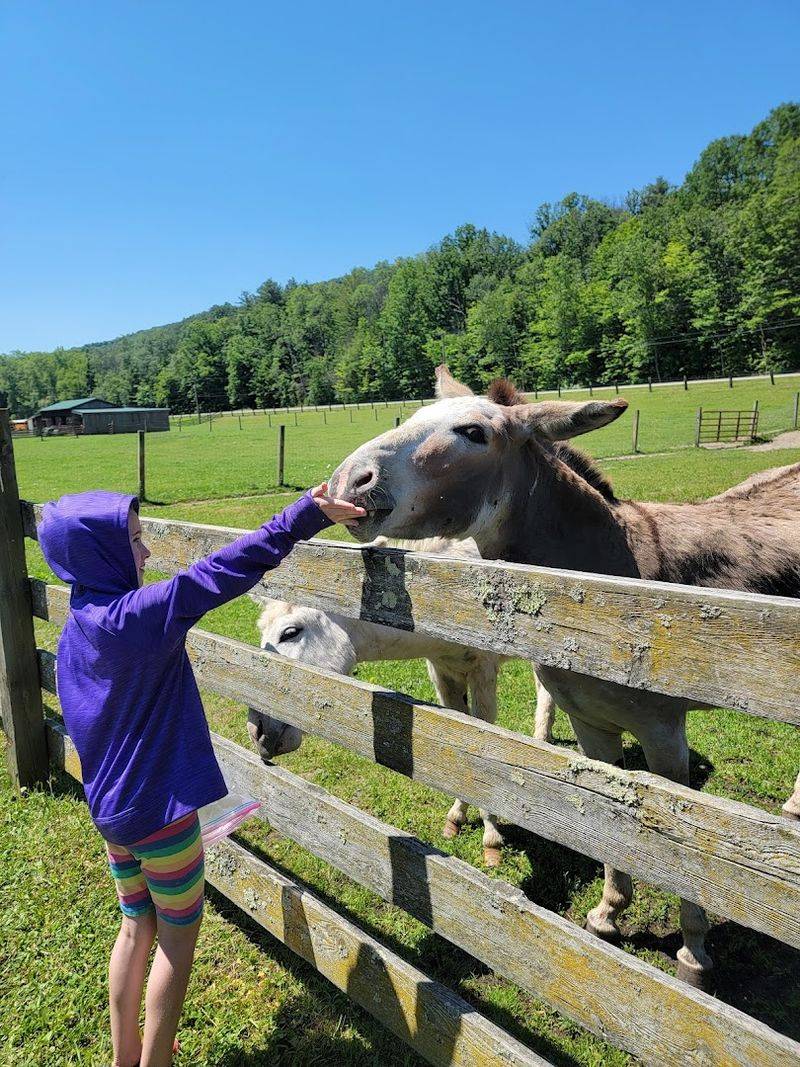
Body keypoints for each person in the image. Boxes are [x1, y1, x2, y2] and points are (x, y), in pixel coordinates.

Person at [37, 484, 364, 1067]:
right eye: (133, 542)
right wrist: (305, 513)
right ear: (101, 556)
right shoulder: (137, 618)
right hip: (160, 818)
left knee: (136, 926)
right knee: (177, 941)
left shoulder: (80, 618)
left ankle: (125, 1056)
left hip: (111, 813)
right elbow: (220, 572)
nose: (145, 553)